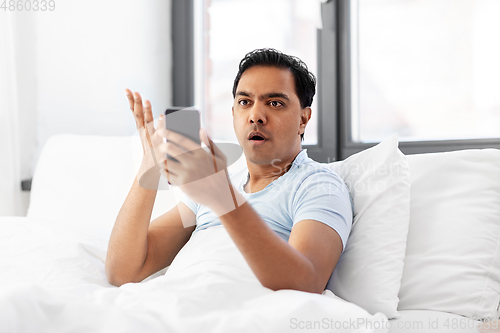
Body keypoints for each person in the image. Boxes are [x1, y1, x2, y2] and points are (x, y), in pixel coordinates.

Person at [105, 48, 353, 294]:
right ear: (234, 114)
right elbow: (122, 271)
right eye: (245, 102)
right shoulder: (211, 190)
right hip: (174, 305)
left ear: (303, 119)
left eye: (275, 103)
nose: (256, 115)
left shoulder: (318, 186)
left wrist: (224, 200)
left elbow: (306, 282)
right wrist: (149, 166)